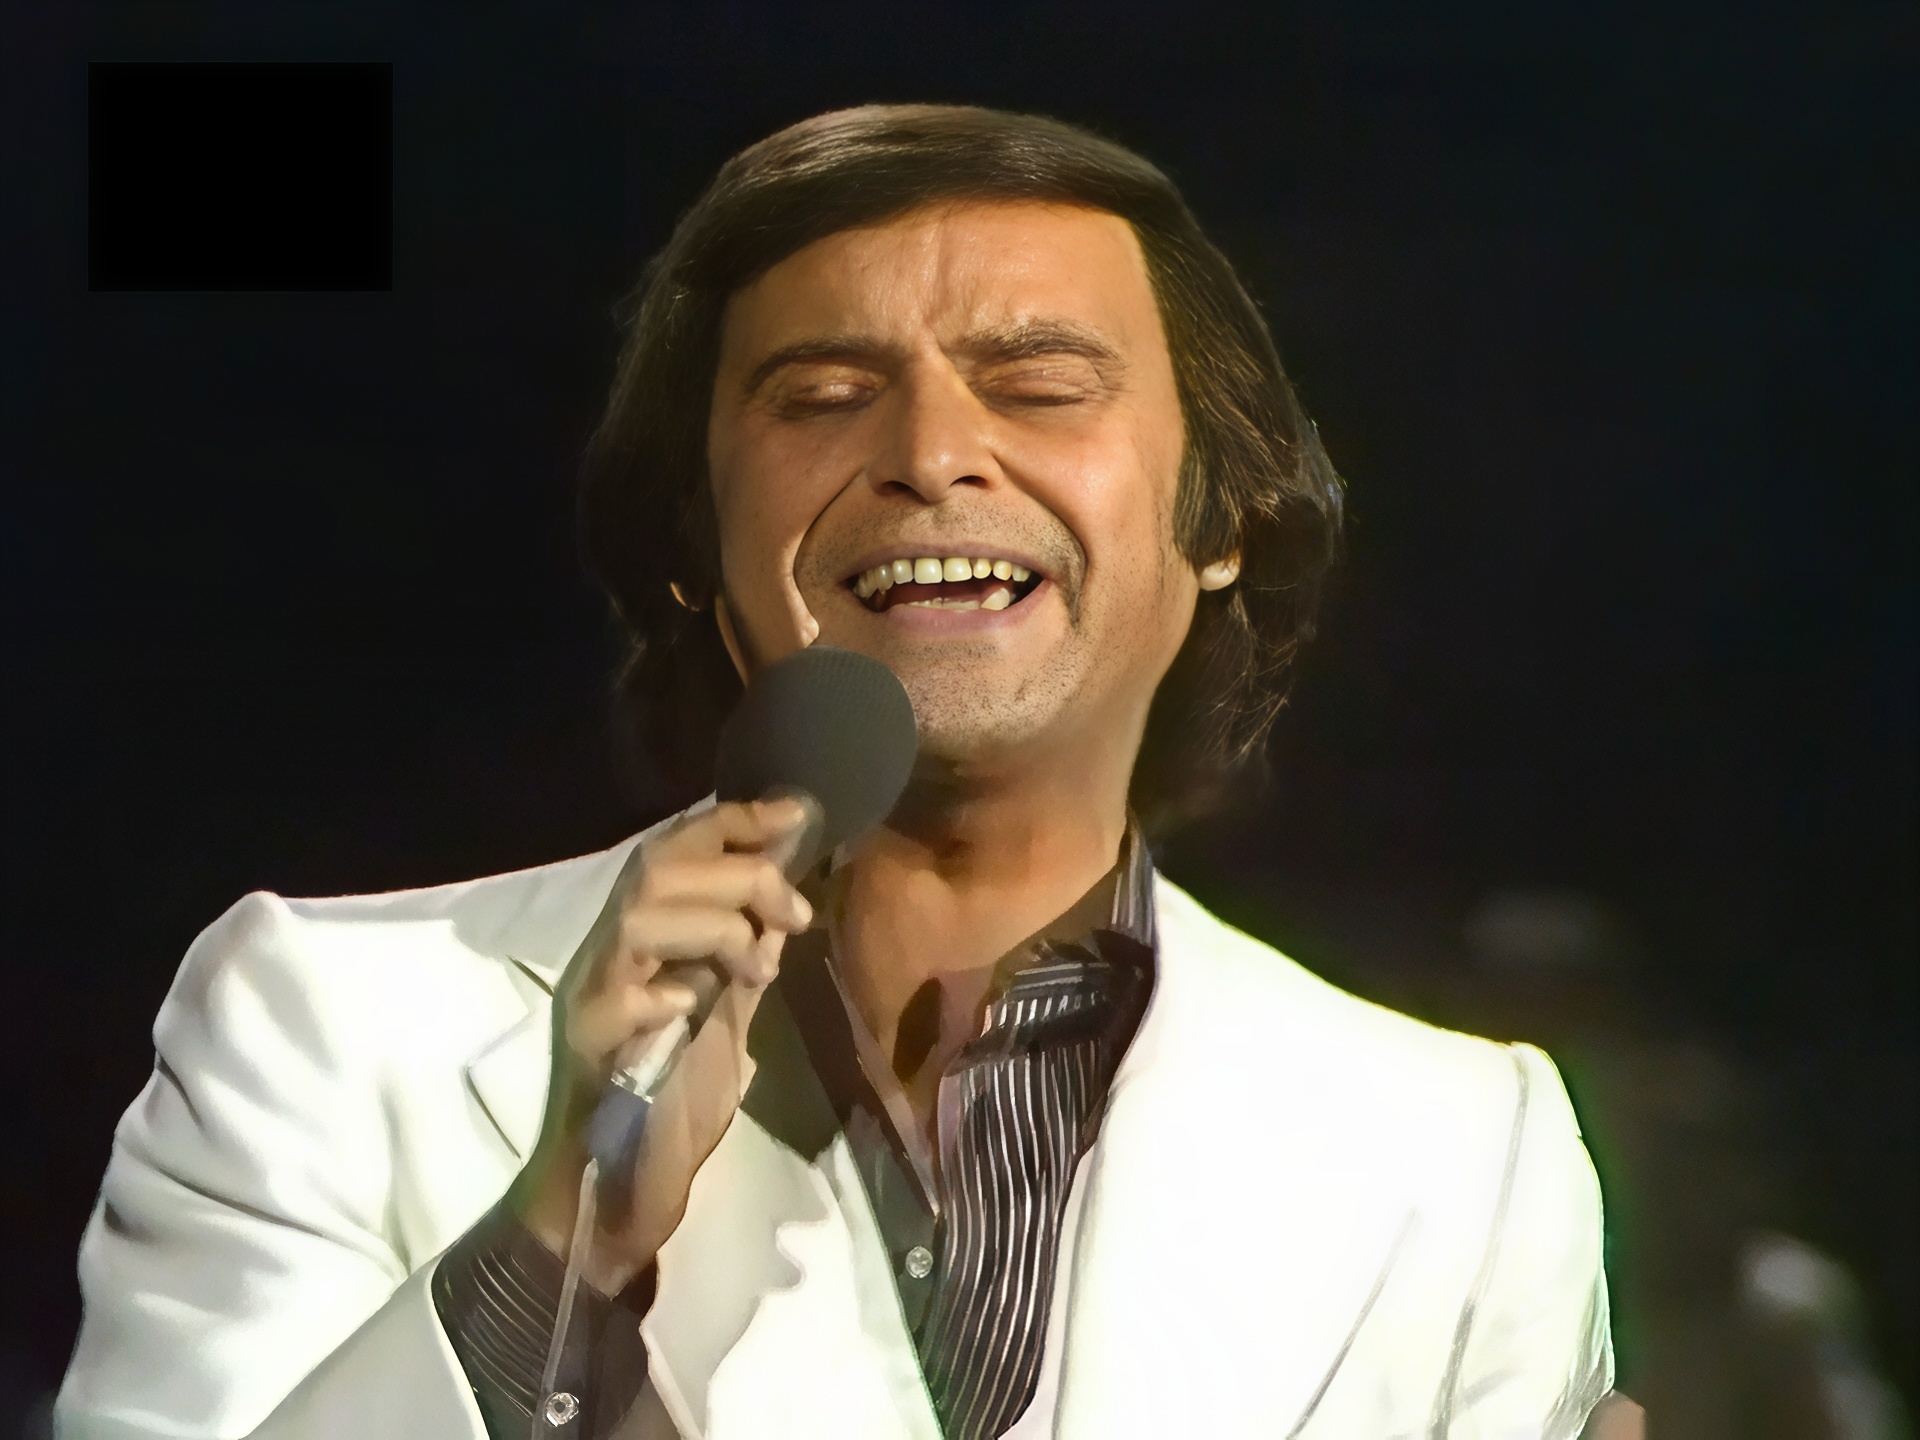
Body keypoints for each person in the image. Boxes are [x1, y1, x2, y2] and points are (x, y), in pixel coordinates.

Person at [56, 105, 1621, 1440]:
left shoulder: (1464, 1151)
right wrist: (554, 1246)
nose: (929, 454)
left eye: (1039, 383)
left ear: (1220, 525)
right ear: (694, 544)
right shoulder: (321, 1025)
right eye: (821, 396)